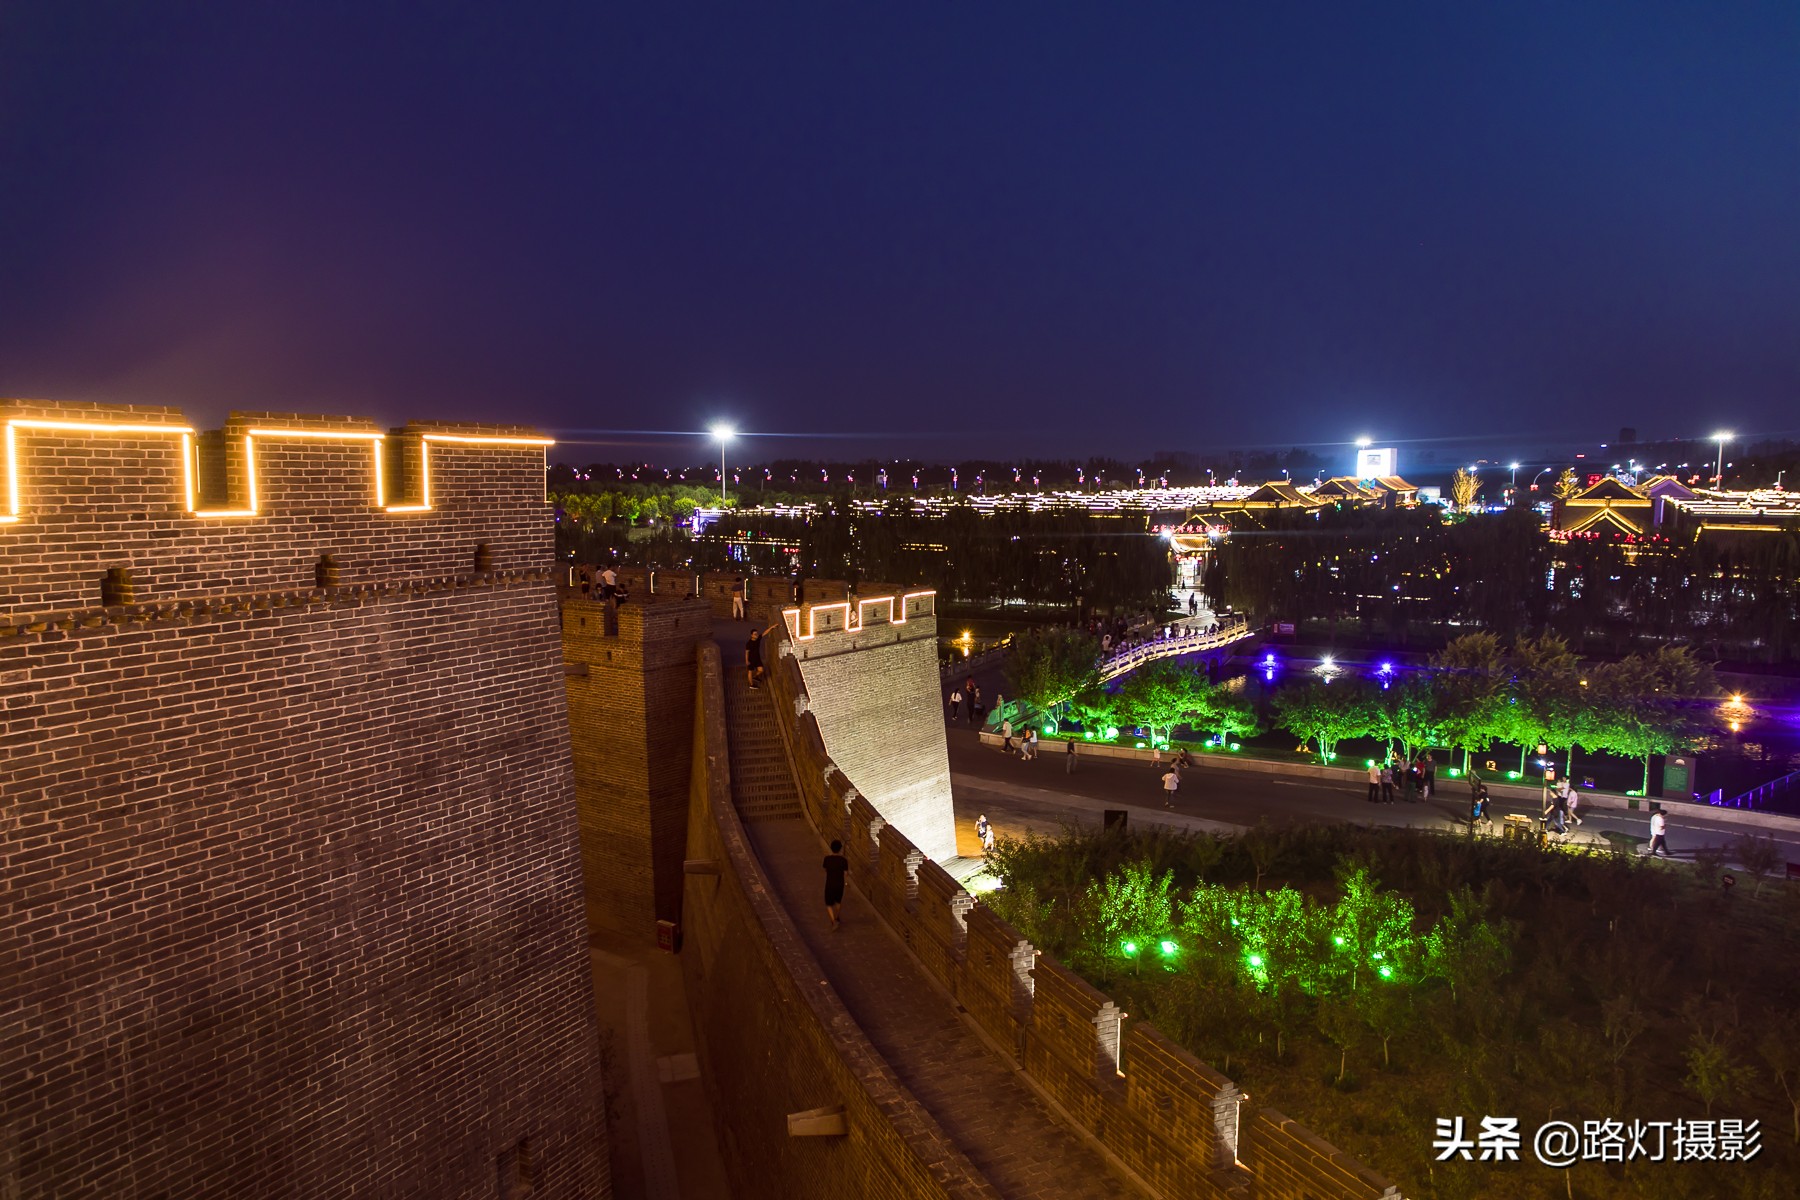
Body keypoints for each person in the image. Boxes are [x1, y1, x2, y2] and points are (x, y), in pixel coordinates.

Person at [822, 840, 850, 930]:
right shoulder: (843, 860)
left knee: (828, 903)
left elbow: (825, 870)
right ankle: (837, 917)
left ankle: (833, 921)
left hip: (830, 884)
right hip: (839, 884)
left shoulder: (827, 859)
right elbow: (846, 873)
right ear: (840, 849)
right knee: (838, 901)